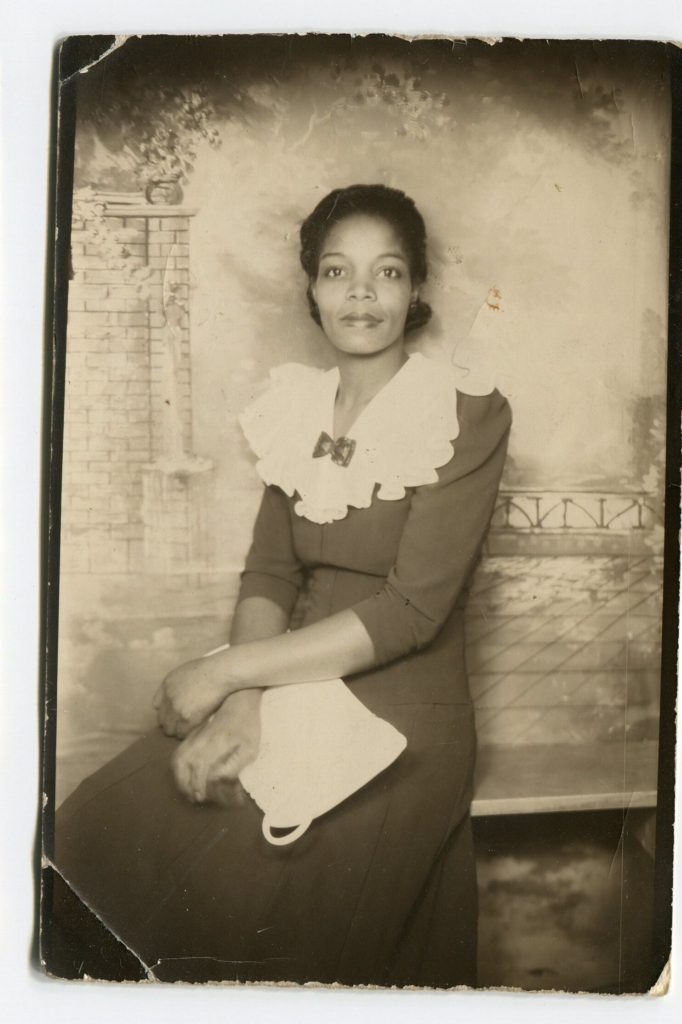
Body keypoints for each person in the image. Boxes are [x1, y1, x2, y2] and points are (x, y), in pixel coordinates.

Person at [53, 184, 511, 987]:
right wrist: (244, 705)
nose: (361, 293)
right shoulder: (295, 405)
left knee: (251, 902)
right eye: (338, 271)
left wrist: (226, 671)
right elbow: (271, 569)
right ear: (312, 290)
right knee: (97, 823)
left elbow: (410, 614)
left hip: (403, 710)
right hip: (282, 679)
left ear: (417, 290)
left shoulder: (466, 414)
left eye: (388, 272)